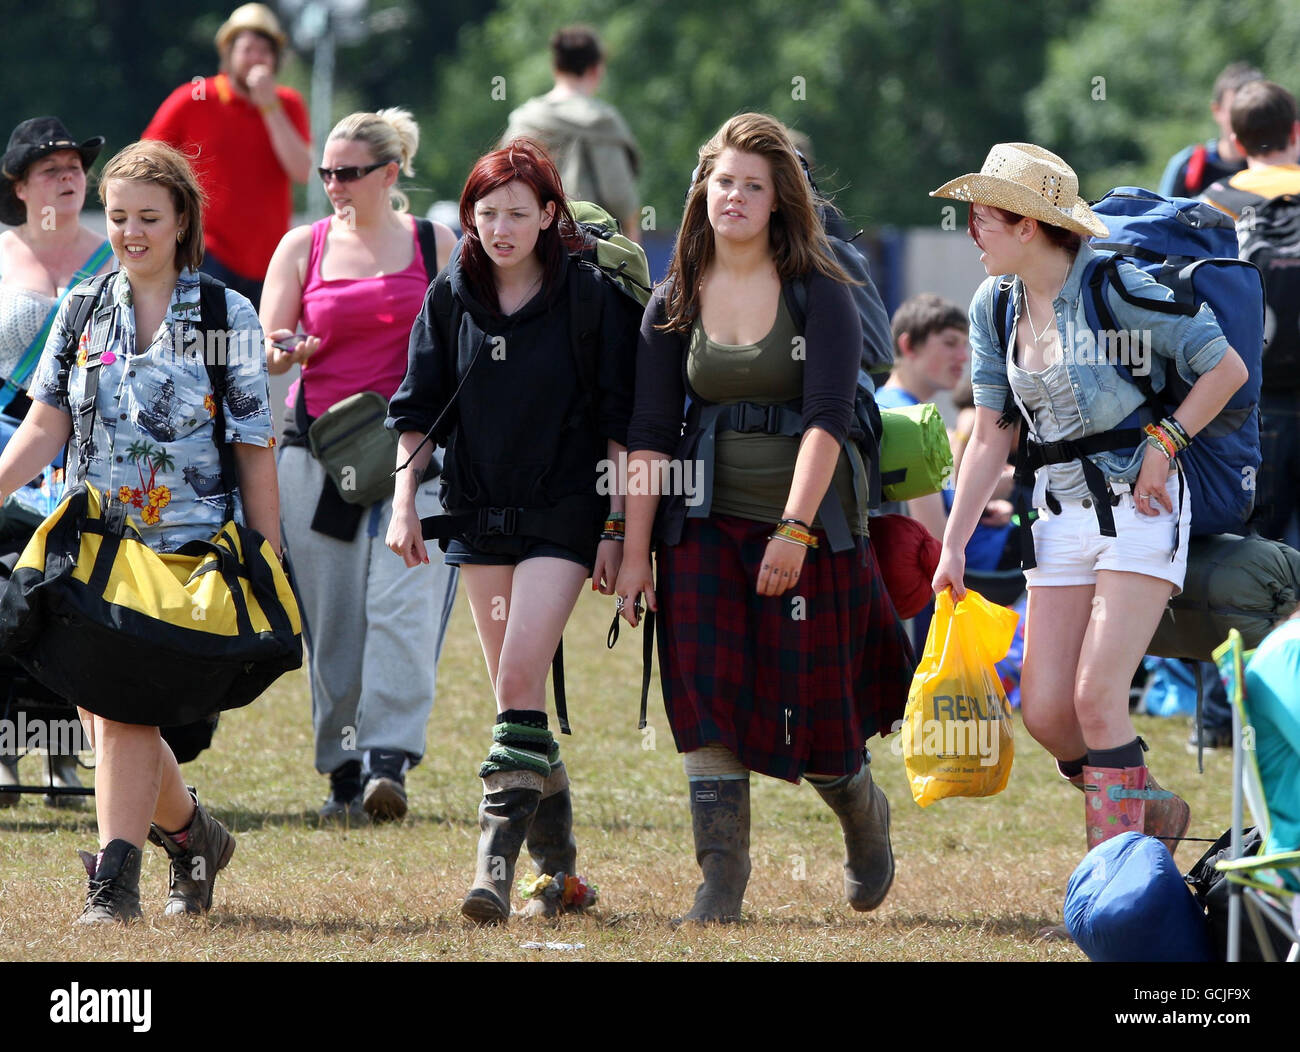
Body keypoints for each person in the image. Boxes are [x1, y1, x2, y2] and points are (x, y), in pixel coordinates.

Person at [615, 113, 915, 924]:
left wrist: (794, 530)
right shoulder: (672, 294)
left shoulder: (824, 287)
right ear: (701, 193)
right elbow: (647, 433)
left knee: (815, 717)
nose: (736, 198)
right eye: (723, 183)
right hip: (702, 523)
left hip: (814, 524)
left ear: (781, 200)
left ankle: (862, 813)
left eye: (754, 186)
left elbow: (825, 416)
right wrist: (634, 550)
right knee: (706, 698)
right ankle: (721, 883)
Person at [930, 143, 1248, 865]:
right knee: (1046, 712)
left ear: (1029, 226)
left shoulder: (1117, 285)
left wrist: (1166, 441)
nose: (971, 232)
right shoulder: (993, 304)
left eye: (982, 218)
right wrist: (951, 543)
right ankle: (1153, 808)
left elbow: (1223, 366)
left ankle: (1116, 888)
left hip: (1141, 511)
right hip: (1056, 517)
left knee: (1099, 701)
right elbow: (991, 436)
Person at [0, 139, 279, 923]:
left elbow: (256, 449)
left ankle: (113, 885)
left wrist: (266, 553)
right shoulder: (83, 309)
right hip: (92, 547)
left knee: (121, 711)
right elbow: (46, 425)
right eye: (117, 216)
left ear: (183, 219)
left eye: (148, 217)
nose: (129, 233)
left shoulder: (229, 315)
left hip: (187, 556)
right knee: (107, 712)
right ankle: (194, 839)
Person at [386, 138, 639, 923]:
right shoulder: (451, 292)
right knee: (515, 699)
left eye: (517, 214)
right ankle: (560, 876)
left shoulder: (590, 298)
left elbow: (620, 422)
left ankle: (492, 871)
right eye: (486, 213)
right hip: (477, 511)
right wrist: (403, 502)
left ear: (549, 216)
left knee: (519, 681)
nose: (499, 228)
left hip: (564, 514)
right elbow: (416, 409)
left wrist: (617, 527)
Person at [261, 109, 459, 824]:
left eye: (348, 173)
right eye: (326, 173)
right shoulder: (301, 246)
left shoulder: (438, 244)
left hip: (419, 456)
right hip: (323, 457)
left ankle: (388, 762)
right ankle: (343, 771)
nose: (334, 185)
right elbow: (268, 347)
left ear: (390, 173)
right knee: (335, 621)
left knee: (402, 608)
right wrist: (291, 349)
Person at [0, 116, 113, 807]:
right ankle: (6, 751)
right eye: (50, 169)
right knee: (5, 595)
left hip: (81, 450)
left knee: (68, 595)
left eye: (75, 165)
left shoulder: (115, 256)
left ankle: (64, 757)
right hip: (5, 443)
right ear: (19, 187)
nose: (68, 176)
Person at [142, 2, 311, 308]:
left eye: (265, 50)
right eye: (248, 49)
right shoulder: (193, 98)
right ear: (229, 54)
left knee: (254, 351)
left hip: (269, 259)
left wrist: (269, 106)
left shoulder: (288, 104)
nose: (256, 59)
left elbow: (302, 171)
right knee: (207, 348)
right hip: (205, 251)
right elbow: (146, 159)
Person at [502, 25, 641, 242]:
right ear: (597, 69)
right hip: (589, 248)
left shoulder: (523, 121)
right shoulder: (603, 123)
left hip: (530, 246)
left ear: (554, 67)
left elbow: (502, 185)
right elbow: (619, 197)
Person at [1158, 62, 1263, 199]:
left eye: (1253, 110)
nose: (1245, 118)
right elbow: (1163, 216)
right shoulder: (1188, 165)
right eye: (1236, 109)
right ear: (1217, 110)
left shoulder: (1279, 165)